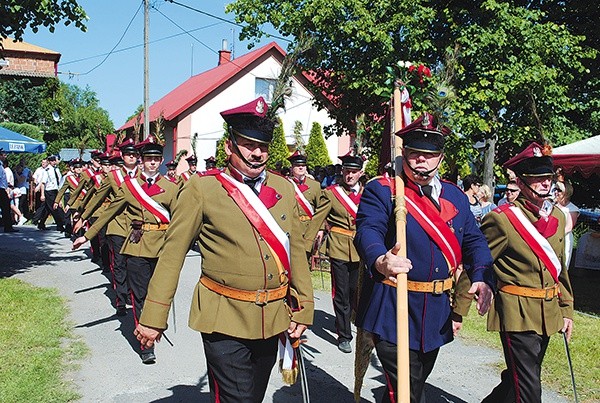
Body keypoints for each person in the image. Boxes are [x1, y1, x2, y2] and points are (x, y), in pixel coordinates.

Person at [133, 97, 314, 402]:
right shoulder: (202, 189)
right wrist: (153, 317)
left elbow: (295, 251)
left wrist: (303, 307)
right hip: (223, 317)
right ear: (230, 146)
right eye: (248, 144)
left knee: (253, 396)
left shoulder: (283, 188)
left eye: (264, 146)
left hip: (272, 316)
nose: (257, 153)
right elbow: (172, 254)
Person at [354, 112, 494, 403]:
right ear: (404, 153)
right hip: (393, 308)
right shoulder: (384, 190)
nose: (422, 161)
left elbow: (474, 241)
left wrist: (481, 277)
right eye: (415, 153)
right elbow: (368, 230)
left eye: (430, 155)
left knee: (412, 386)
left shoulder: (455, 197)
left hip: (435, 315)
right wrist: (380, 259)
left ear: (441, 158)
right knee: (405, 391)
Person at [481, 142, 574, 403]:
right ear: (521, 183)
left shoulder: (557, 215)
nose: (545, 184)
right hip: (516, 311)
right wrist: (460, 306)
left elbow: (559, 269)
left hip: (548, 311)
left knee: (518, 378)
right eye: (537, 179)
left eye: (548, 178)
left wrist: (566, 309)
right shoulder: (503, 219)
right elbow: (479, 260)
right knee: (530, 388)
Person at [73, 136, 178, 363]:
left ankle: (156, 322)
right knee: (139, 297)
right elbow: (109, 212)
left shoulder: (171, 188)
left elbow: (182, 219)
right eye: (148, 159)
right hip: (137, 247)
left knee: (157, 294)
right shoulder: (130, 188)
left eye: (156, 159)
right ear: (141, 161)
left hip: (162, 248)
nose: (152, 163)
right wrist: (87, 235)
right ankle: (146, 345)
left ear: (160, 161)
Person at [75, 138, 140, 316]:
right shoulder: (113, 177)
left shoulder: (143, 176)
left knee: (133, 265)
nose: (131, 157)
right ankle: (120, 300)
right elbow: (96, 199)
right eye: (128, 154)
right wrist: (83, 217)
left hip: (137, 228)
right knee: (119, 264)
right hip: (117, 225)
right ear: (122, 156)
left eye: (134, 154)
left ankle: (131, 296)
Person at [316, 151, 365, 354]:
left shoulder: (368, 194)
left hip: (360, 248)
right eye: (346, 171)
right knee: (342, 293)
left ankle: (355, 320)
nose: (349, 176)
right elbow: (319, 217)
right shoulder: (331, 193)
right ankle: (344, 334)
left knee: (356, 291)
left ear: (361, 173)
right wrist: (312, 237)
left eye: (353, 172)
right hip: (337, 245)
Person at [286, 150, 330, 261]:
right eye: (297, 165)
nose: (301, 168)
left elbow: (321, 210)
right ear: (291, 168)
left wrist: (320, 229)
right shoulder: (285, 184)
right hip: (292, 227)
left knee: (305, 261)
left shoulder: (315, 185)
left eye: (303, 165)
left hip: (309, 230)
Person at [33, 155, 65, 231]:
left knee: (48, 209)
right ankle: (60, 224)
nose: (57, 161)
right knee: (55, 208)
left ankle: (41, 223)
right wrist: (42, 194)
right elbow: (43, 183)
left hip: (56, 190)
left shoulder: (56, 169)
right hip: (49, 191)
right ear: (51, 161)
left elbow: (59, 180)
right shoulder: (47, 170)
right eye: (55, 160)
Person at [554, 180, 579, 269]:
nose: (556, 192)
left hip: (564, 239)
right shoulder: (551, 205)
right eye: (555, 189)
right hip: (549, 238)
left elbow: (568, 227)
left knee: (562, 265)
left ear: (566, 192)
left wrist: (555, 236)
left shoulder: (572, 209)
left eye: (559, 190)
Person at [0, 149, 18, 232]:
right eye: (4, 155)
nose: (5, 156)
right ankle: (8, 226)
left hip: (3, 188)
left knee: (6, 207)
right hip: (1, 189)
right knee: (6, 207)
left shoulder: (1, 166)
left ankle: (8, 226)